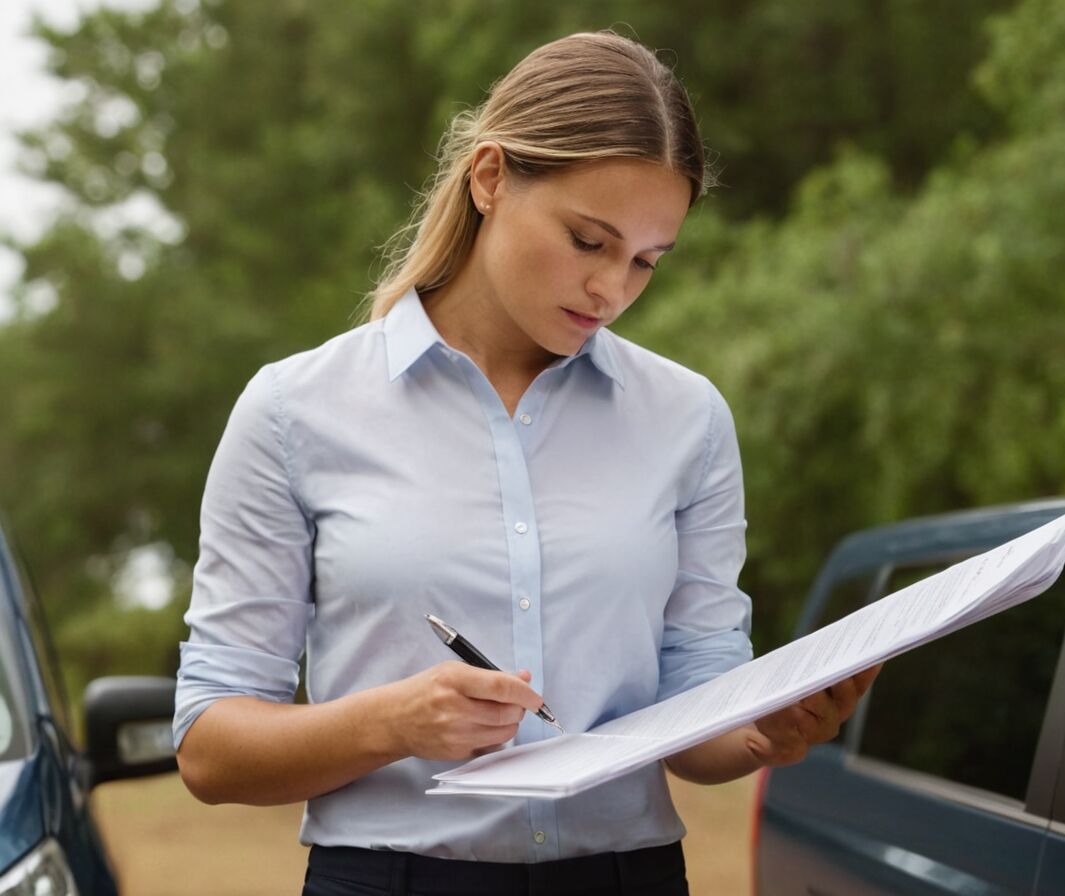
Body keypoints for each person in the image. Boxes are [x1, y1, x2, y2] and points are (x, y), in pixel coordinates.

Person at [174, 30, 879, 896]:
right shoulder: (294, 412)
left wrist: (762, 733)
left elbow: (699, 699)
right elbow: (211, 745)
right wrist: (394, 720)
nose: (611, 291)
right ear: (490, 178)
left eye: (646, 263)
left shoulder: (686, 419)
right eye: (589, 241)